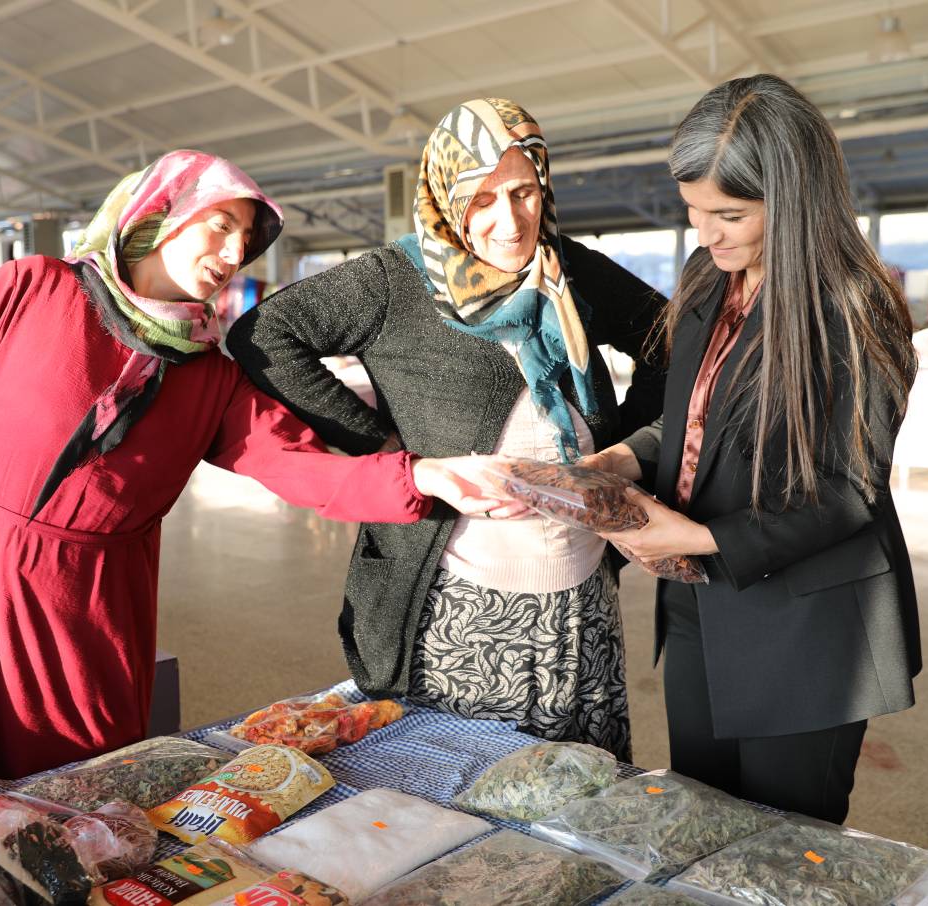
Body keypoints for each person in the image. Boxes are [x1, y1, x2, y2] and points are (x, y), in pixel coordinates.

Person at [0, 150, 512, 806]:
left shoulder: (211, 380)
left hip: (86, 619)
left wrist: (423, 476)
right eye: (221, 226)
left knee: (70, 814)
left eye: (247, 241)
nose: (234, 254)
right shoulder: (29, 291)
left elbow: (301, 467)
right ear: (158, 215)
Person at [227, 98, 666, 760]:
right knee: (460, 801)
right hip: (458, 607)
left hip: (581, 605)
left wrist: (628, 451)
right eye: (481, 198)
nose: (509, 220)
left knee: (581, 797)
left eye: (523, 192)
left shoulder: (569, 273)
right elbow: (262, 334)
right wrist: (382, 451)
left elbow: (674, 339)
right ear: (444, 197)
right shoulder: (394, 281)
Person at [587, 74, 921, 823]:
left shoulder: (855, 309)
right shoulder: (711, 278)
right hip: (697, 604)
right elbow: (697, 416)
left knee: (783, 847)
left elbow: (847, 491)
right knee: (700, 821)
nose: (706, 233)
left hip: (804, 625)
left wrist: (701, 534)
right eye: (693, 211)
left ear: (794, 198)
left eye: (728, 214)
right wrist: (631, 458)